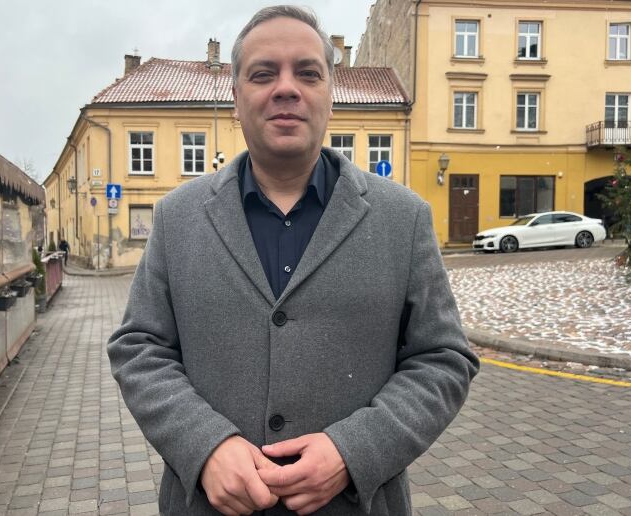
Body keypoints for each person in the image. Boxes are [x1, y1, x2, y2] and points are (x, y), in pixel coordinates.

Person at [108, 5, 479, 515]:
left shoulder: (403, 219)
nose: (287, 88)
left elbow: (443, 359)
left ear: (331, 94)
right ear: (236, 98)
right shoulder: (178, 218)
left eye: (308, 72)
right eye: (263, 74)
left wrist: (355, 451)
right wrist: (205, 445)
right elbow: (139, 347)